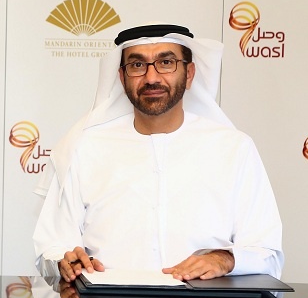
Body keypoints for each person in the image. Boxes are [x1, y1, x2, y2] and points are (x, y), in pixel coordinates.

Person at [33, 23, 283, 283]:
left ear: (189, 74)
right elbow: (50, 248)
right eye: (137, 65)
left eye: (166, 62)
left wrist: (226, 259)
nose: (151, 78)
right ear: (122, 78)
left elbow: (269, 255)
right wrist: (64, 260)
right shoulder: (85, 148)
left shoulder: (235, 149)